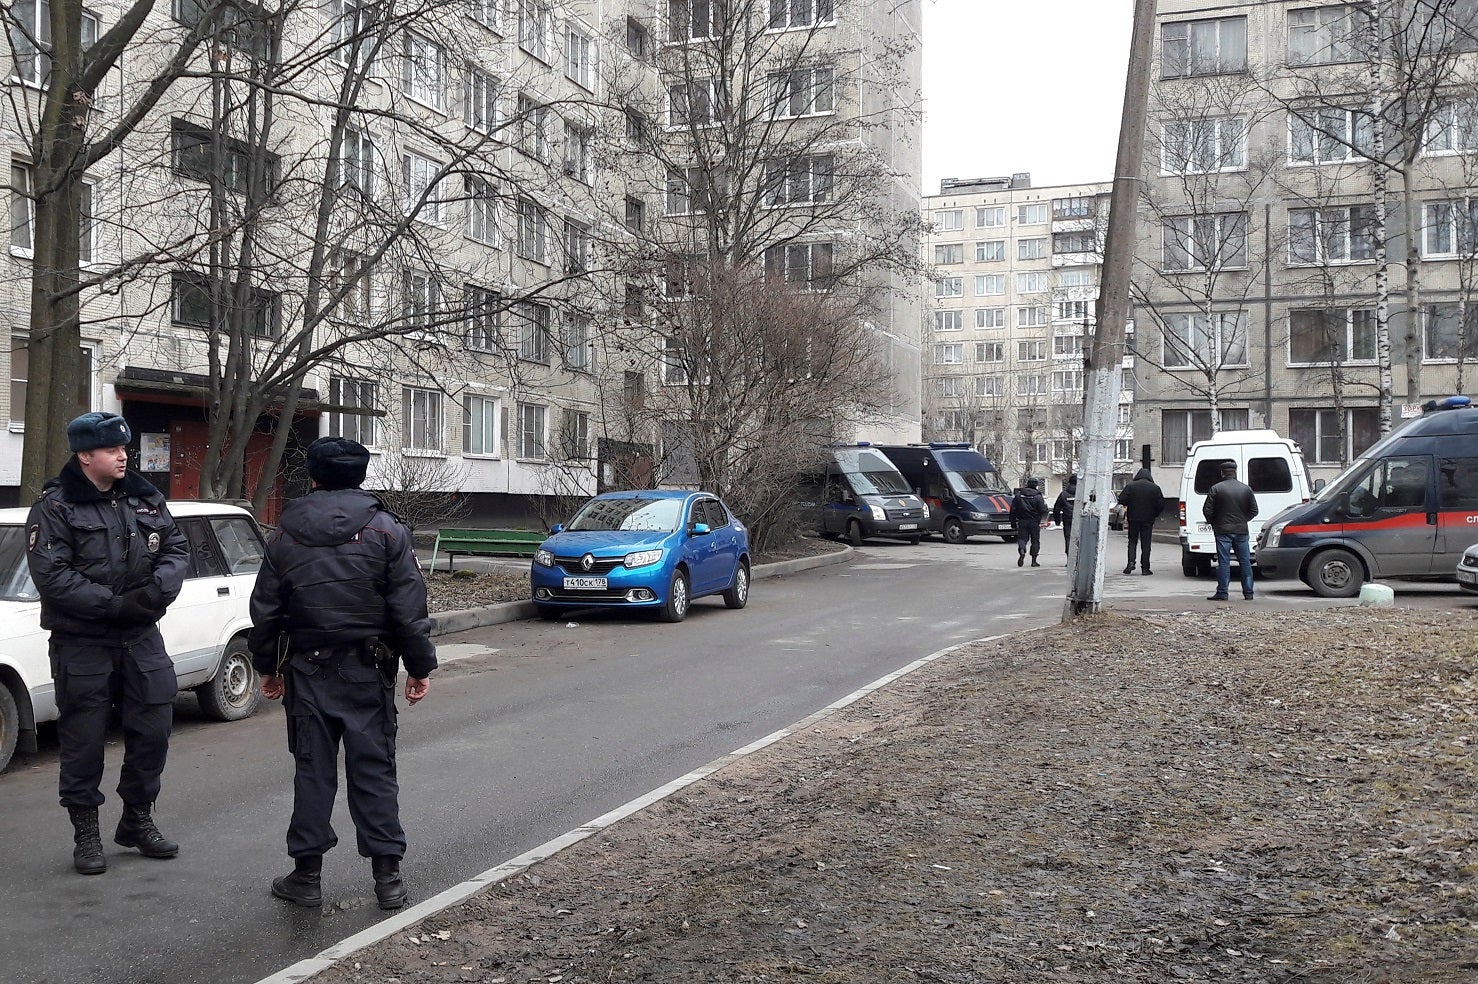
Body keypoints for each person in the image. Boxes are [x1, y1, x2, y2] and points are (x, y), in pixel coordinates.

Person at [249, 436, 436, 911]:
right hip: (367, 669)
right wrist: (419, 667)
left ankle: (306, 875)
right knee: (373, 769)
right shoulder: (388, 532)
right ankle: (388, 879)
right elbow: (409, 608)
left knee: (312, 770)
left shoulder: (284, 535)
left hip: (307, 670)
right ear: (361, 475)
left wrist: (267, 667)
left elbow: (266, 610)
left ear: (312, 477)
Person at [26, 411, 190, 875]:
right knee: (84, 739)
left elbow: (176, 549)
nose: (123, 456)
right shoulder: (55, 507)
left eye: (124, 448)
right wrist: (113, 605)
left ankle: (137, 819)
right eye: (113, 450)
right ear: (85, 456)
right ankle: (86, 832)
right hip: (84, 641)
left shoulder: (144, 495)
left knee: (155, 728)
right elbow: (52, 576)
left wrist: (156, 591)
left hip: (141, 637)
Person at [1203, 460, 1258, 601]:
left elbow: (1207, 510)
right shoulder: (1246, 489)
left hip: (1222, 530)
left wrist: (1214, 522)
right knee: (1245, 562)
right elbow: (1254, 511)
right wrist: (1242, 519)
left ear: (1222, 473)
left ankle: (1223, 592)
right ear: (1235, 472)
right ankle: (1248, 593)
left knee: (1224, 562)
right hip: (1241, 530)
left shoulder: (1216, 488)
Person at [1117, 467, 1166, 575]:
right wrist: (1155, 513)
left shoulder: (1131, 486)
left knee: (1132, 541)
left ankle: (1130, 563)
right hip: (1148, 519)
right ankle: (1145, 568)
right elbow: (1161, 504)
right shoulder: (1155, 488)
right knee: (1146, 544)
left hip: (1133, 518)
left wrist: (1130, 504)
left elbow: (1122, 499)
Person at [1010, 477, 1047, 568]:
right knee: (1035, 541)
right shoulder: (1038, 496)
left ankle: (1022, 550)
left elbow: (1013, 510)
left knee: (1022, 539)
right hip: (1034, 521)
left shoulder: (1019, 495)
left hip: (1022, 520)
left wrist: (1013, 522)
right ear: (1036, 485)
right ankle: (1034, 561)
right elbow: (1042, 509)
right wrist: (1040, 518)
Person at [1050, 474, 1077, 556]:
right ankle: (1079, 558)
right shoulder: (1082, 494)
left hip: (1067, 518)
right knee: (1080, 538)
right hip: (1080, 519)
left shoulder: (1063, 494)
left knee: (1068, 538)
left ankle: (1069, 558)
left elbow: (1057, 508)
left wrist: (1057, 520)